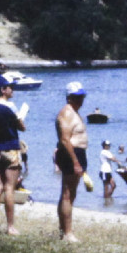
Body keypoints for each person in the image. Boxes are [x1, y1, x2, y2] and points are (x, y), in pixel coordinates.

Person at [0, 76, 26, 235]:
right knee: (10, 188)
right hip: (10, 147)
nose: (12, 90)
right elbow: (22, 126)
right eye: (10, 87)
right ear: (3, 89)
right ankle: (10, 227)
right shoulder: (10, 106)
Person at [54, 81, 91, 242]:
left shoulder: (74, 112)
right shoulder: (67, 113)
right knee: (68, 194)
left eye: (82, 97)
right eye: (76, 97)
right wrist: (75, 162)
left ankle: (64, 230)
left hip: (77, 153)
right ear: (69, 98)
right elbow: (64, 140)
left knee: (70, 194)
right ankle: (67, 233)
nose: (80, 100)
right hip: (72, 154)